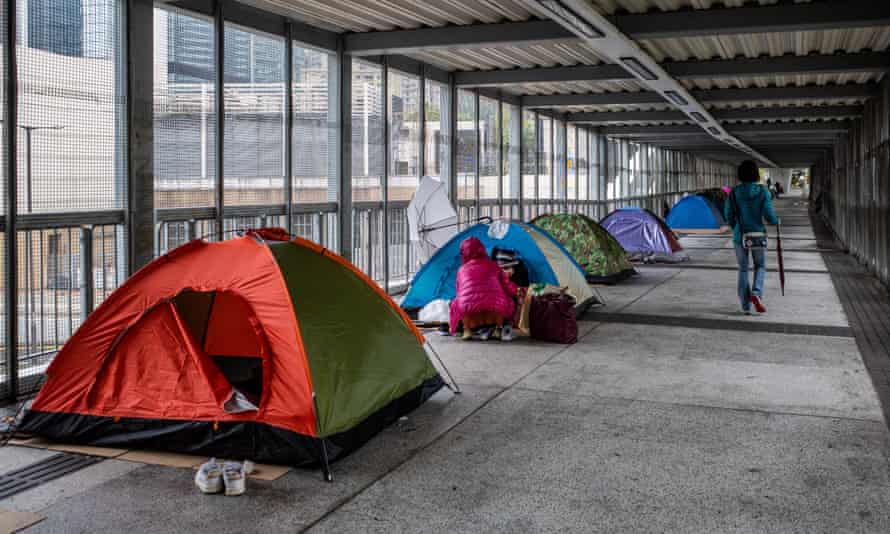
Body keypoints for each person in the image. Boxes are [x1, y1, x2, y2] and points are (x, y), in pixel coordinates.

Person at [725, 160, 779, 315]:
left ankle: (745, 305)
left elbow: (728, 214)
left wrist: (736, 226)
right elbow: (769, 215)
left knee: (743, 269)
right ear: (756, 174)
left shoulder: (734, 193)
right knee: (760, 266)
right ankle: (756, 293)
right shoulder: (763, 192)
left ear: (740, 174)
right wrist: (776, 221)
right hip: (757, 235)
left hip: (739, 235)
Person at [450, 237, 518, 341]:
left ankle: (467, 330)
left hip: (470, 314)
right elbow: (508, 288)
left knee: (457, 302)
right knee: (508, 300)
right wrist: (516, 289)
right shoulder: (495, 266)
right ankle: (498, 329)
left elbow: (459, 292)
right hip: (494, 312)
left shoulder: (461, 270)